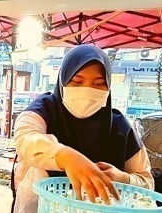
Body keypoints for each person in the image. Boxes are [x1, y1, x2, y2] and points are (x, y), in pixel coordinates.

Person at [14, 44, 153, 204]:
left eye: (99, 83)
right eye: (77, 81)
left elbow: (147, 182)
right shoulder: (45, 109)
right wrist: (64, 156)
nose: (87, 90)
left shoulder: (119, 127)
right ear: (63, 81)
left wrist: (122, 178)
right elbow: (25, 139)